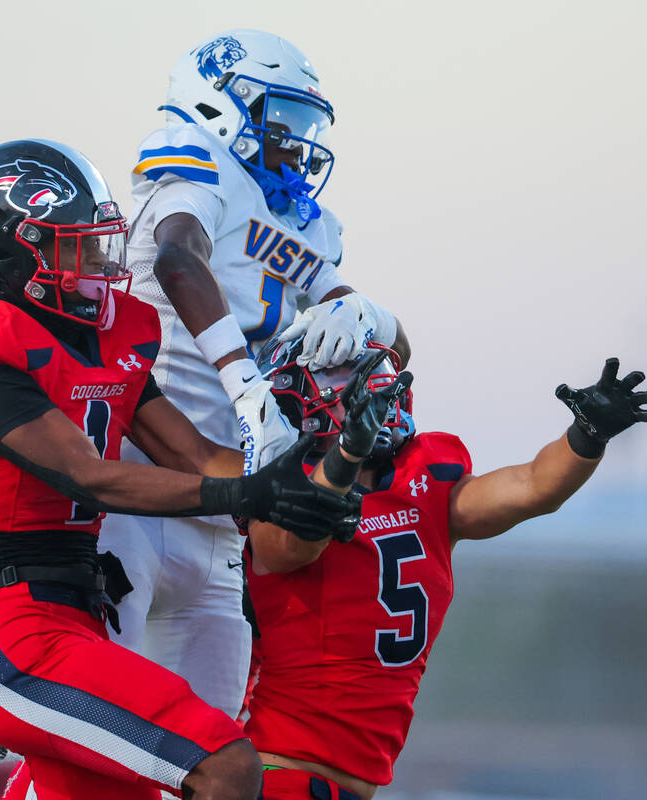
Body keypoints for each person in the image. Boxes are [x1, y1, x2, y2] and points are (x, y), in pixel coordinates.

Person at [0, 138, 361, 800]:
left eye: (100, 242)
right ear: (21, 246)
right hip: (16, 628)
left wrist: (304, 475)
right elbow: (89, 475)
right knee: (225, 764)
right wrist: (246, 491)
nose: (100, 260)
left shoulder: (110, 337)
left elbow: (194, 455)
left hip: (79, 614)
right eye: (78, 244)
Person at [99, 28, 412, 720]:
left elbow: (393, 352)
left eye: (306, 126)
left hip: (225, 514)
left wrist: (370, 316)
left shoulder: (306, 223)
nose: (298, 146)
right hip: (136, 492)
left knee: (209, 757)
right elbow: (180, 260)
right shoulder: (195, 163)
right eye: (283, 121)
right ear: (220, 105)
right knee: (96, 735)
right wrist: (248, 391)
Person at [241, 337, 647, 800]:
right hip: (275, 771)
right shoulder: (282, 487)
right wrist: (346, 456)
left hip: (341, 786)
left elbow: (532, 486)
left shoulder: (425, 486)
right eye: (343, 378)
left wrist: (587, 435)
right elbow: (289, 545)